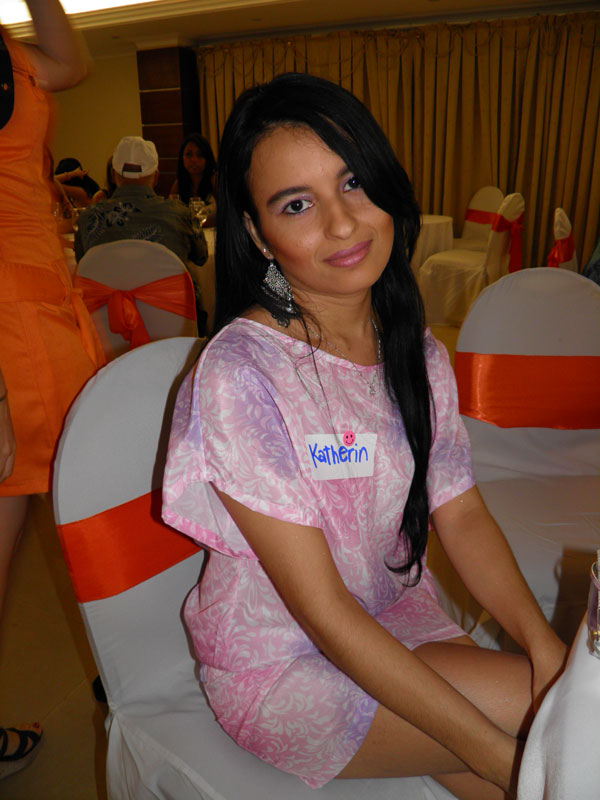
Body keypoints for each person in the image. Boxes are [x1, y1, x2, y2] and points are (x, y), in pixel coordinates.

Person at [162, 73, 567, 798]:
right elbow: (322, 613)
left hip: (392, 614)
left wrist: (545, 650)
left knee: (558, 726)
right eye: (296, 204)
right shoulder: (242, 374)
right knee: (555, 744)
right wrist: (498, 756)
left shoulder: (415, 350)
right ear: (256, 234)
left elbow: (461, 514)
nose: (344, 224)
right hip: (283, 665)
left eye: (352, 182)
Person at [0, 0, 105, 780]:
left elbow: (73, 63)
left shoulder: (12, 53)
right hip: (9, 327)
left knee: (83, 514)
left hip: (41, 308)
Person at [75, 136, 208, 270]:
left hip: (105, 284)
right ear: (156, 177)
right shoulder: (182, 215)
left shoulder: (88, 219)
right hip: (167, 284)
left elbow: (82, 262)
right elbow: (201, 257)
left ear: (112, 175)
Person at [170, 132, 217, 224]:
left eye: (199, 155)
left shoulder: (215, 180)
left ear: (207, 158)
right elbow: (171, 213)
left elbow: (228, 213)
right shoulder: (179, 183)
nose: (194, 160)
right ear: (182, 158)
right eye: (188, 154)